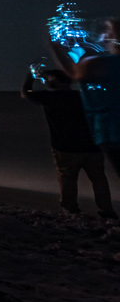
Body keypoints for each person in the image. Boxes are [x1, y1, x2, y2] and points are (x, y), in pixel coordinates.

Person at [24, 68, 113, 217]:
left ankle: (70, 210)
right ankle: (107, 211)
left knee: (68, 180)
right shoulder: (83, 97)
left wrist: (29, 78)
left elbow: (26, 93)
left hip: (65, 148)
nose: (46, 81)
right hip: (92, 147)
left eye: (49, 79)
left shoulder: (49, 97)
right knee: (99, 180)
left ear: (58, 82)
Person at [52, 17, 120, 185]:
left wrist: (55, 46)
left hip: (113, 132)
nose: (103, 37)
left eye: (108, 31)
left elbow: (75, 72)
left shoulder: (106, 64)